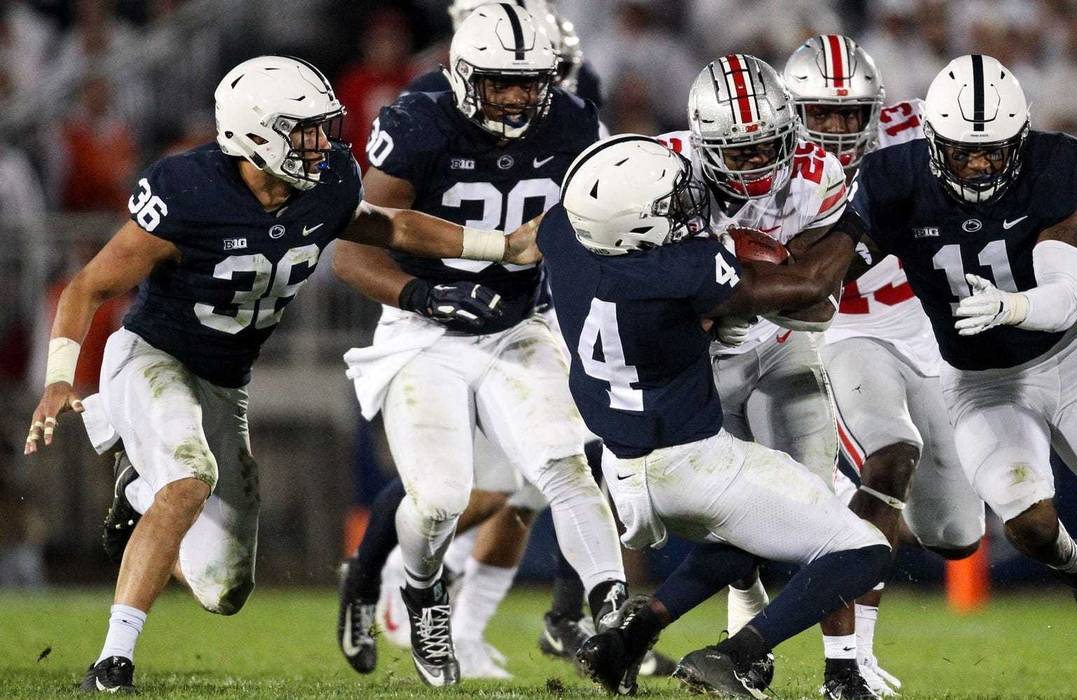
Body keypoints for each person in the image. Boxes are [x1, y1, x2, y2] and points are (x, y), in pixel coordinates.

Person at [23, 54, 541, 694]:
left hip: (225, 383)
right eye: (305, 130)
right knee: (189, 477)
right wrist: (58, 376)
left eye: (324, 127)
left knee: (224, 589)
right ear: (256, 131)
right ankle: (113, 660)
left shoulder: (324, 186)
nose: (323, 143)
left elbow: (391, 225)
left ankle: (138, 496)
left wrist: (502, 245)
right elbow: (88, 286)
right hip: (152, 358)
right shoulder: (189, 191)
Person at [782, 35, 1077, 698]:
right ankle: (846, 660)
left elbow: (1049, 212)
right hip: (878, 339)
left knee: (957, 534)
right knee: (896, 464)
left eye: (850, 112)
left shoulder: (954, 139)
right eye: (820, 114)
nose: (837, 129)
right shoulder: (796, 167)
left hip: (987, 338)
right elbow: (814, 262)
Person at [341, 0, 636, 679]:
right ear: (462, 72)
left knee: (563, 464)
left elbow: (596, 225)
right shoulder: (419, 121)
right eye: (498, 81)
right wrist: (426, 292)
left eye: (527, 81)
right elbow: (351, 251)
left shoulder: (572, 122)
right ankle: (419, 590)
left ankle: (609, 602)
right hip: (424, 329)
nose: (513, 97)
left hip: (518, 324)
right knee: (441, 498)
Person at [543, 134, 889, 698]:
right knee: (862, 550)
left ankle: (634, 630)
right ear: (633, 225)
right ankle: (734, 654)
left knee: (751, 535)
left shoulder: (563, 236)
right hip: (692, 464)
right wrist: (856, 223)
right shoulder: (686, 268)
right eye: (672, 204)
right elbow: (813, 288)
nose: (688, 210)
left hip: (622, 470)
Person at [654, 48, 847, 665]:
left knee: (815, 503)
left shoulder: (818, 174)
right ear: (704, 142)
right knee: (720, 508)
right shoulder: (659, 171)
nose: (760, 162)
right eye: (740, 151)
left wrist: (736, 293)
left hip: (783, 343)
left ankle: (843, 663)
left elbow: (821, 297)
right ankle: (740, 635)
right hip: (696, 359)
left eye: (770, 145)